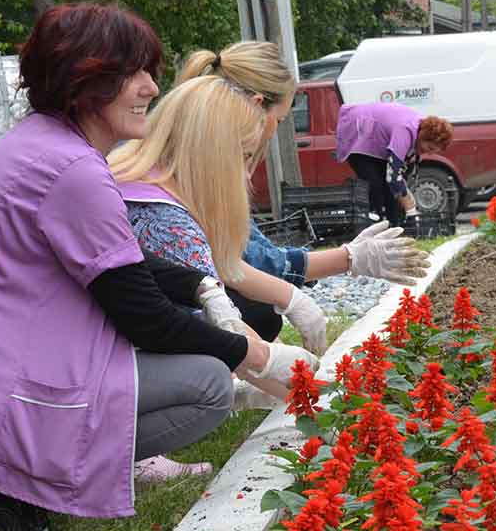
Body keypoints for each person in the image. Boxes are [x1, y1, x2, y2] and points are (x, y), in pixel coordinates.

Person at [0, 3, 318, 531]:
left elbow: (121, 263)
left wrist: (199, 284)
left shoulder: (39, 144)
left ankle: (13, 471)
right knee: (207, 385)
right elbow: (145, 319)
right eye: (132, 74)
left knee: (204, 359)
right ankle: (18, 481)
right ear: (84, 80)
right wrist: (261, 357)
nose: (150, 89)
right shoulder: (75, 171)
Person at [113, 44, 427, 358]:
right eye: (280, 118)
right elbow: (245, 268)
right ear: (256, 106)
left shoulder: (155, 165)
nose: (248, 173)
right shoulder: (165, 214)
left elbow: (229, 261)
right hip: (137, 357)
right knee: (246, 329)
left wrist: (294, 303)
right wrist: (281, 370)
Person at [335, 102, 453, 229]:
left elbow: (398, 178)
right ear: (423, 137)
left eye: (433, 151)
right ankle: (376, 225)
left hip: (377, 138)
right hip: (357, 130)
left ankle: (395, 225)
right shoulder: (405, 131)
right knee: (375, 184)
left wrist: (403, 194)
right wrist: (410, 207)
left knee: (390, 188)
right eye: (429, 147)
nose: (429, 153)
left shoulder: (417, 131)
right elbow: (393, 175)